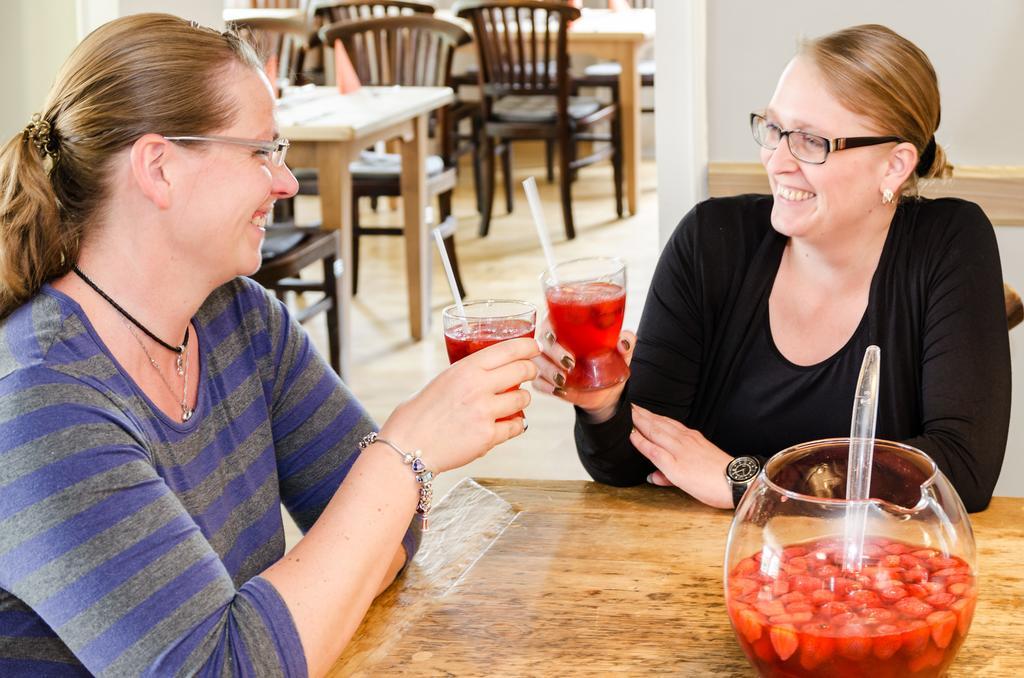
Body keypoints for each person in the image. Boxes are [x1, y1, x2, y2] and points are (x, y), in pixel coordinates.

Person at [0, 13, 538, 677]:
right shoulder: (39, 407)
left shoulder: (239, 322)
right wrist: (404, 451)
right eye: (260, 151)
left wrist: (384, 494)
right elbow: (225, 668)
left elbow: (393, 530)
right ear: (159, 168)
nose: (285, 182)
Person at [533, 24, 1011, 514]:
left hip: (878, 575)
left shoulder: (950, 239)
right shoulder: (709, 240)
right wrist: (604, 404)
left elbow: (963, 471)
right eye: (774, 129)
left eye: (810, 141)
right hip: (707, 572)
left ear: (893, 165)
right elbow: (633, 465)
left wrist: (748, 481)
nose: (776, 160)